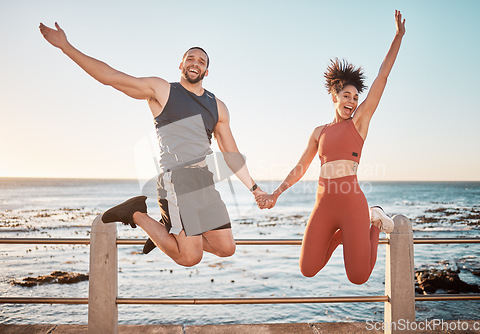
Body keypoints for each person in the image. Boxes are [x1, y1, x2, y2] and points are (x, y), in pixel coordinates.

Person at [39, 23, 267, 267]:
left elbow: (231, 153)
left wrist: (255, 189)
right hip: (178, 180)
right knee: (190, 257)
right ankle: (137, 214)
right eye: (190, 58)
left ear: (207, 71)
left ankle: (164, 236)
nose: (195, 63)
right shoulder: (163, 90)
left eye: (201, 61)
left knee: (226, 248)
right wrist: (65, 47)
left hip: (205, 182)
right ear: (181, 65)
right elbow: (111, 77)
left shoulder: (217, 106)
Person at [257, 10, 406, 284]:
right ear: (334, 96)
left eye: (355, 97)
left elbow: (382, 78)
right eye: (346, 95)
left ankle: (373, 220)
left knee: (358, 276)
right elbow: (300, 167)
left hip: (352, 202)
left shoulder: (359, 122)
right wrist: (276, 193)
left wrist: (398, 36)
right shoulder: (319, 131)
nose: (352, 101)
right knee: (308, 268)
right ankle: (344, 236)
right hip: (324, 203)